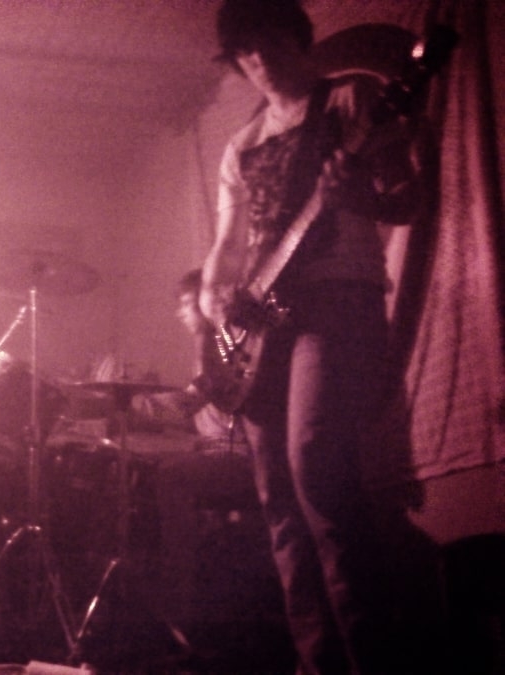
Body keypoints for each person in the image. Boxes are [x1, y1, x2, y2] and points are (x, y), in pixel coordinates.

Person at [199, 1, 436, 673]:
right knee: (277, 499)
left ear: (297, 38)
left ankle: (373, 659)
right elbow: (228, 247)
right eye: (244, 52)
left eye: (268, 41)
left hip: (337, 302)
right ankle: (316, 663)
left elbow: (407, 199)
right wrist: (217, 303)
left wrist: (362, 197)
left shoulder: (353, 101)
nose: (259, 59)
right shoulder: (241, 145)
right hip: (261, 322)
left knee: (317, 470)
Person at [133, 269, 260, 635]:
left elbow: (188, 404)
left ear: (209, 304)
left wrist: (127, 402)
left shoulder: (222, 346)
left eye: (188, 304)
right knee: (151, 464)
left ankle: (180, 597)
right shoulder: (210, 347)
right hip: (218, 450)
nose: (181, 313)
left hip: (244, 458)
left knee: (171, 476)